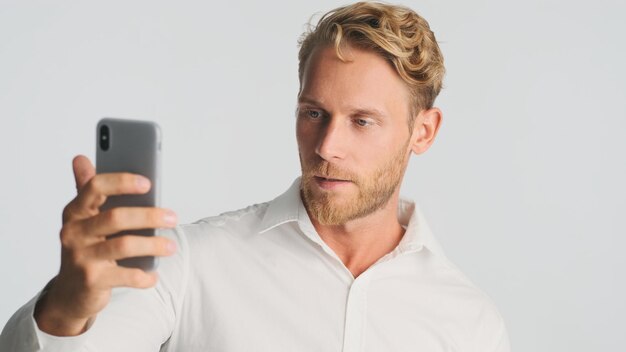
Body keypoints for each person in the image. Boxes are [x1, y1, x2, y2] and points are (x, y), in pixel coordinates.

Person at [0, 2, 510, 351]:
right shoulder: (188, 265)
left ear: (423, 131)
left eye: (362, 121)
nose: (327, 146)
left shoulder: (469, 323)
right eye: (314, 113)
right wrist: (67, 307)